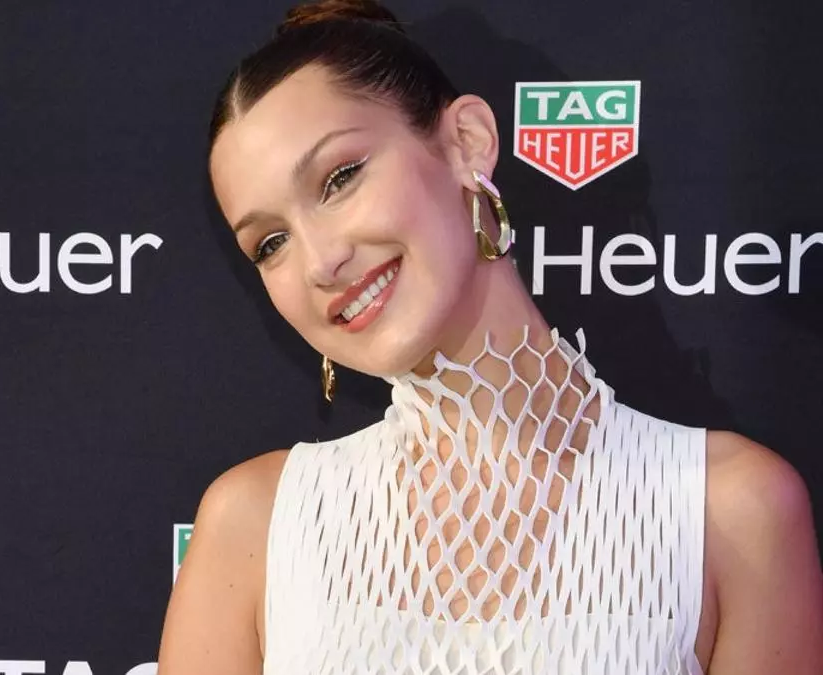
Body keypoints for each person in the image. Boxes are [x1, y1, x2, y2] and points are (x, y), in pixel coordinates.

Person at [156, 0, 823, 673]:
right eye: (270, 242)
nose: (320, 262)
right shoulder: (255, 528)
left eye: (340, 177)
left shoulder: (730, 514)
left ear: (466, 142)